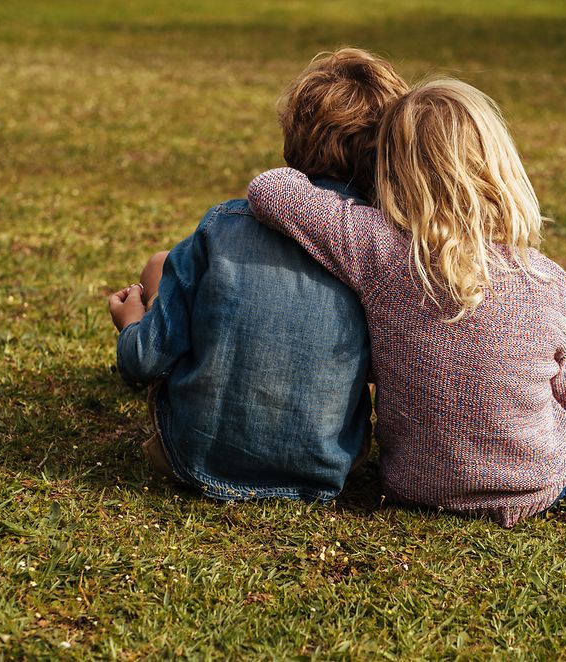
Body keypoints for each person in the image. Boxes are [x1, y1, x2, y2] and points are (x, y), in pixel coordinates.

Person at [247, 79, 566, 527]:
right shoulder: (549, 281)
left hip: (412, 485)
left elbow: (271, 188)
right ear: (502, 169)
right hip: (533, 486)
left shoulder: (379, 249)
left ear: (390, 173)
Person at [107, 48, 408, 502]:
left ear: (292, 137)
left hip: (192, 459)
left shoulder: (225, 225)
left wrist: (130, 322)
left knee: (159, 267)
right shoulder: (384, 254)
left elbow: (142, 362)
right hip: (326, 470)